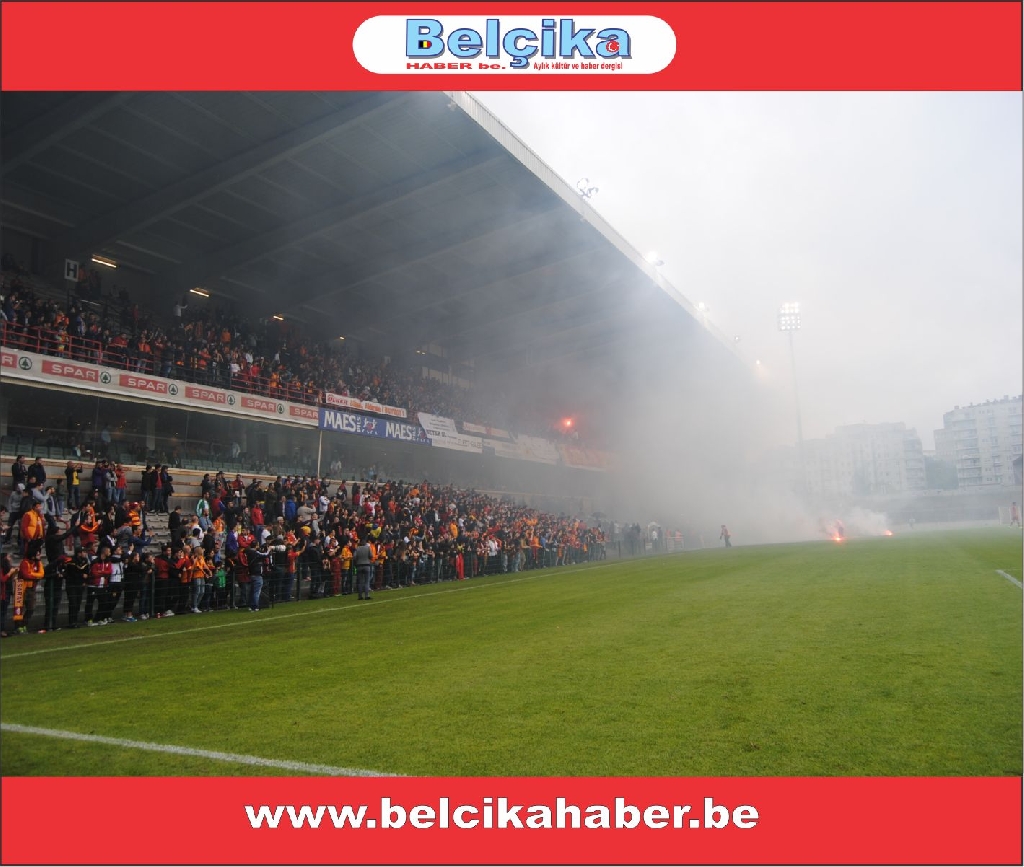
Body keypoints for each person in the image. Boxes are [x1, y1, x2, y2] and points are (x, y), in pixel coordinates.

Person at [354, 535, 376, 600]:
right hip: (367, 565)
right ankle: (367, 595)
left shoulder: (357, 548)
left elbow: (354, 557)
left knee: (360, 581)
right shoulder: (368, 548)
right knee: (367, 581)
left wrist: (358, 560)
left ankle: (360, 596)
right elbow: (371, 556)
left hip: (359, 565)